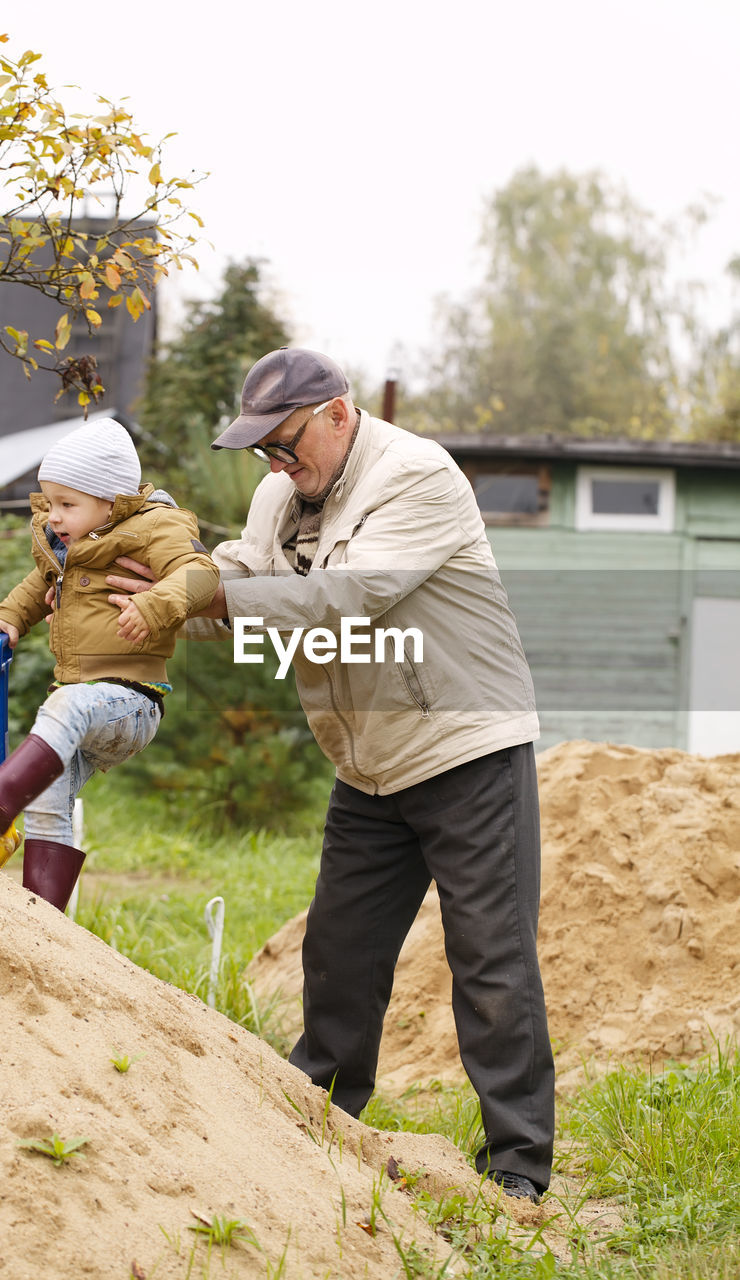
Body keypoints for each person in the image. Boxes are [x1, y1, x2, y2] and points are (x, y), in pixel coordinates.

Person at [107, 348, 555, 1202]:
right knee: (339, 957)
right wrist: (153, 595)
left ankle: (519, 1172)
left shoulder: (416, 477)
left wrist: (204, 598)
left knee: (491, 962)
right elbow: (240, 584)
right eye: (262, 453)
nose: (277, 466)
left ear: (340, 414)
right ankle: (316, 1132)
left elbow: (341, 602)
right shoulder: (283, 492)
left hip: (466, 749)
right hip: (368, 763)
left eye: (287, 444)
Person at [0, 418, 219, 911]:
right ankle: (42, 922)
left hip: (132, 700)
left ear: (111, 503)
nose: (54, 516)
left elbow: (200, 572)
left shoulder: (155, 528)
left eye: (67, 504)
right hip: (81, 701)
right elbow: (37, 584)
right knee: (50, 801)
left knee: (66, 704)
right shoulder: (65, 546)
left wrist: (156, 604)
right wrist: (10, 617)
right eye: (50, 502)